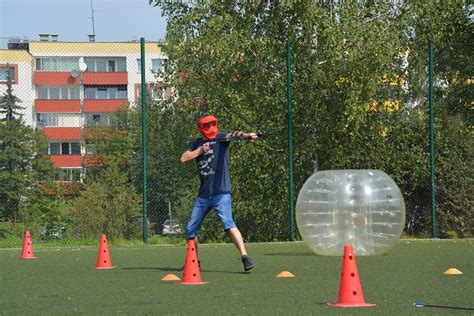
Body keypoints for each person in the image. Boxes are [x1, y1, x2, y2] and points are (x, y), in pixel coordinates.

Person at [180, 115, 258, 272]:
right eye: (206, 125)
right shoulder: (197, 143)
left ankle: (245, 257)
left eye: (211, 124)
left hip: (221, 193)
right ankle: (194, 262)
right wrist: (200, 150)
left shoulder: (221, 137)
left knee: (228, 224)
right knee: (191, 230)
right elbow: (183, 158)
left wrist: (248, 135)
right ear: (201, 128)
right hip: (203, 195)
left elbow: (236, 135)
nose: (210, 128)